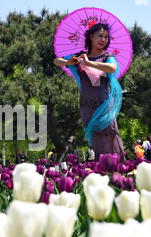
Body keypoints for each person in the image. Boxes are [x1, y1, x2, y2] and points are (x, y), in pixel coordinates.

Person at [54, 23, 125, 161]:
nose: (103, 39)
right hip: (86, 103)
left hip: (104, 103)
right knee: (96, 135)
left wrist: (90, 63)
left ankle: (117, 166)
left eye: (106, 37)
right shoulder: (80, 55)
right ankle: (102, 167)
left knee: (110, 132)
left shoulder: (106, 56)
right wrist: (69, 62)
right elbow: (56, 61)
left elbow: (112, 68)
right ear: (91, 36)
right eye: (100, 36)